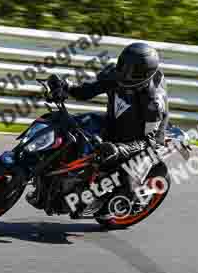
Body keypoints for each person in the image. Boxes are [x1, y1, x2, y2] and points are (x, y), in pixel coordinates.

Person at [48, 42, 171, 219]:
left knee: (128, 180)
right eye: (124, 67)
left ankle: (128, 203)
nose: (126, 75)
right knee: (74, 127)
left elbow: (149, 140)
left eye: (132, 72)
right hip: (115, 122)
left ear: (145, 74)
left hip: (145, 138)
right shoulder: (115, 75)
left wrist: (122, 149)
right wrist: (65, 88)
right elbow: (85, 91)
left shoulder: (153, 103)